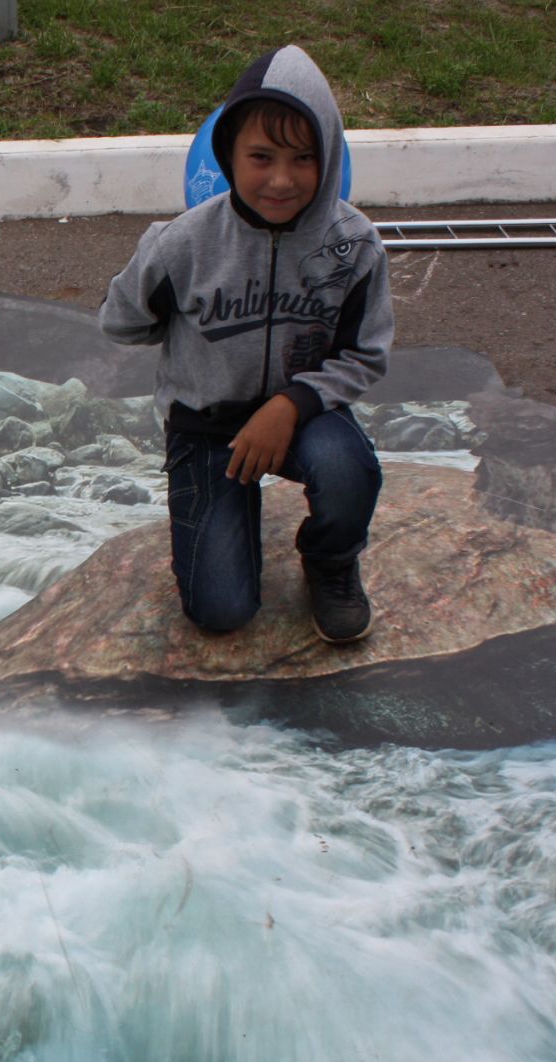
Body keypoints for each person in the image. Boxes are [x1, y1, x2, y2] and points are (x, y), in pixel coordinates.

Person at [100, 45, 393, 643]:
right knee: (221, 613)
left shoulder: (354, 245)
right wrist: (160, 275)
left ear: (331, 157)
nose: (281, 179)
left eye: (304, 158)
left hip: (306, 415)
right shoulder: (181, 243)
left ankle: (331, 560)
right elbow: (121, 321)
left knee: (346, 468)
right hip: (207, 429)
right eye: (261, 156)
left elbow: (365, 354)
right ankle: (230, 511)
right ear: (227, 154)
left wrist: (291, 406)